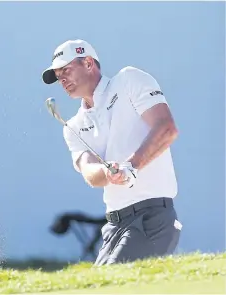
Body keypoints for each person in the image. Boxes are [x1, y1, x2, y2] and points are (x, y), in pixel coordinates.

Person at [41, 39, 182, 266]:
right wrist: (108, 173)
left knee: (109, 285)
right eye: (58, 75)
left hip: (151, 217)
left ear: (88, 63)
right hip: (114, 226)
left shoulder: (129, 80)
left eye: (66, 70)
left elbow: (166, 129)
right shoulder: (74, 126)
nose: (62, 79)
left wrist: (131, 165)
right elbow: (88, 172)